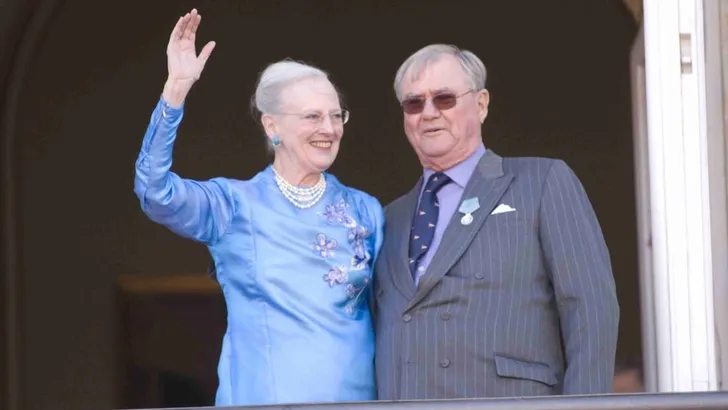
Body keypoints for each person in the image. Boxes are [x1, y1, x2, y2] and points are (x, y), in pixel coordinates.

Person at [133, 9, 384, 406]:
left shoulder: (366, 211)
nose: (330, 128)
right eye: (313, 117)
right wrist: (174, 93)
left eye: (337, 116)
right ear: (272, 127)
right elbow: (155, 192)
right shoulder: (233, 206)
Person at [372, 44, 620, 399]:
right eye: (414, 103)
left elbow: (591, 308)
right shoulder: (389, 217)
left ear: (482, 103)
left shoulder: (541, 180)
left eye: (444, 98)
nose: (428, 113)